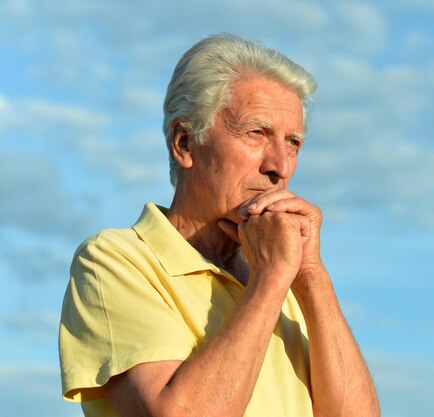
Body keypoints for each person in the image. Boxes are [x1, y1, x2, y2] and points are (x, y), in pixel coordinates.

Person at [59, 34, 380, 417]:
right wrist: (271, 279)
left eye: (293, 142)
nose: (280, 166)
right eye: (256, 133)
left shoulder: (289, 279)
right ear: (185, 143)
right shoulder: (113, 260)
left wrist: (311, 275)